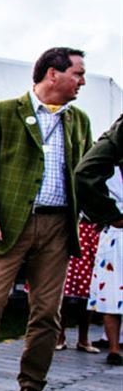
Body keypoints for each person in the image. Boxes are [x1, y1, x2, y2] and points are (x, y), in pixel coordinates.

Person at [0, 47, 93, 391]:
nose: (82, 81)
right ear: (52, 74)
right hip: (6, 225)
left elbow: (86, 173)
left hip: (58, 227)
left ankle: (31, 386)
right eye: (78, 73)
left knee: (47, 312)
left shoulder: (79, 120)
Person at [75, 113, 123, 366]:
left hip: (112, 232)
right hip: (115, 233)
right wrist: (110, 215)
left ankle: (113, 344)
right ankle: (113, 346)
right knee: (112, 290)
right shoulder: (107, 168)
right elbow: (84, 176)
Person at [55, 218, 100, 353]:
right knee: (63, 290)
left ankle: (83, 339)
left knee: (88, 291)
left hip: (91, 232)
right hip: (69, 230)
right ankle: (59, 336)